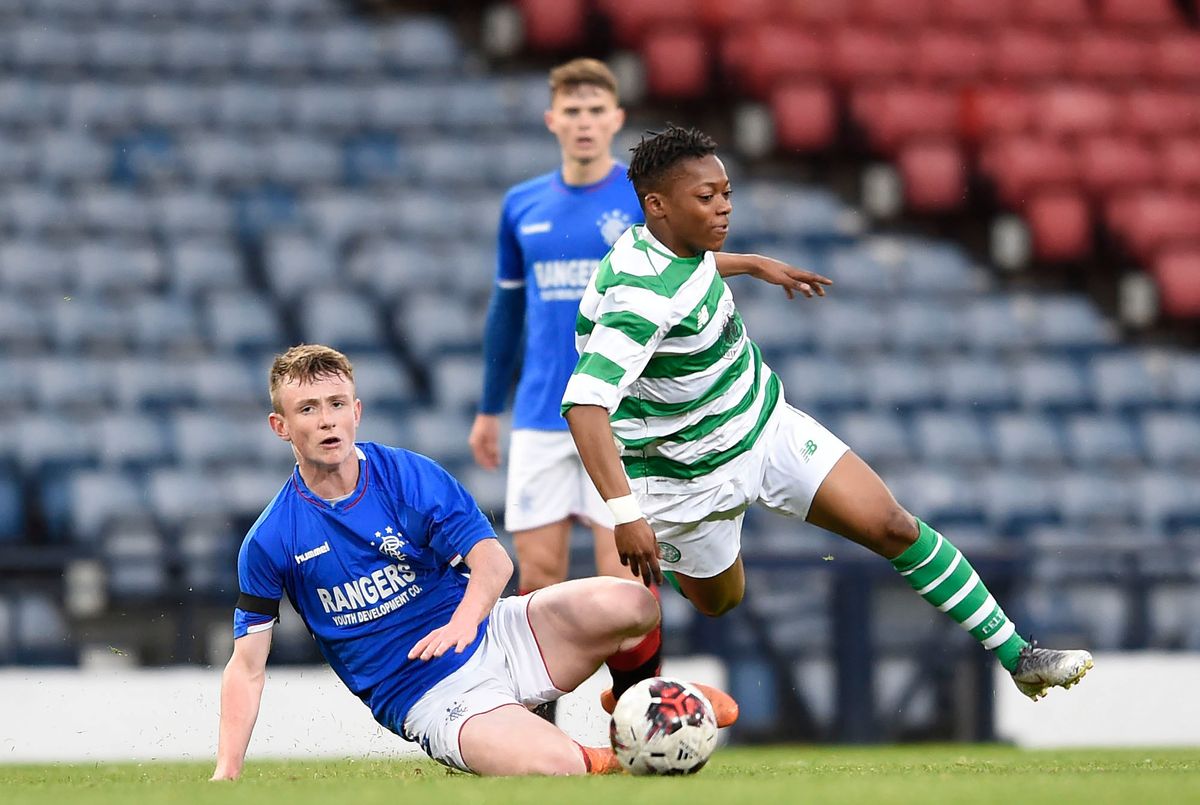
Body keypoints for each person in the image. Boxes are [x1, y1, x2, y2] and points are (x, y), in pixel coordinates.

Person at [561, 125, 1094, 703]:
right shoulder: (638, 298)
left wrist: (757, 264)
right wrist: (624, 515)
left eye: (726, 193)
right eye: (706, 198)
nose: (723, 208)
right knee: (721, 601)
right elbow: (585, 406)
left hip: (764, 424)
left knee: (892, 525)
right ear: (657, 206)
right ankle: (627, 690)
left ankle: (1019, 655)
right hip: (686, 477)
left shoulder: (673, 250)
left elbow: (690, 272)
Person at [470, 60, 826, 716]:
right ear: (553, 120)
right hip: (544, 413)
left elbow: (682, 266)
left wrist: (746, 263)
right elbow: (506, 310)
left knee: (624, 580)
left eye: (594, 110)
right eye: (570, 111)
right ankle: (534, 723)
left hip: (624, 421)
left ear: (614, 119)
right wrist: (490, 406)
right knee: (540, 578)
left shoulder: (638, 198)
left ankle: (638, 712)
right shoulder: (522, 205)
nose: (582, 122)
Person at [212, 343, 703, 779]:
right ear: (281, 426)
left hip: (493, 632)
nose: (326, 420)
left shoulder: (407, 475)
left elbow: (493, 562)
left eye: (337, 404)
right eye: (308, 409)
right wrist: (226, 773)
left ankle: (637, 706)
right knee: (560, 766)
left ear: (356, 411)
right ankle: (634, 752)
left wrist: (465, 622)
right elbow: (248, 667)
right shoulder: (271, 538)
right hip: (428, 694)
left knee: (631, 605)